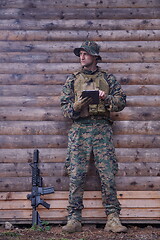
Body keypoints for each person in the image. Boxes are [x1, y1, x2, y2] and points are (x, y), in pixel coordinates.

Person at [60, 40, 127, 233]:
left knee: (107, 174)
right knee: (76, 175)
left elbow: (121, 102)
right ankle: (74, 219)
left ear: (95, 57)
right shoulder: (72, 80)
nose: (82, 56)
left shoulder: (108, 78)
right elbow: (65, 110)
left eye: (86, 53)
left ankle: (113, 218)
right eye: (80, 53)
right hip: (79, 130)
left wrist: (106, 98)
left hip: (102, 129)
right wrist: (77, 106)